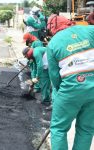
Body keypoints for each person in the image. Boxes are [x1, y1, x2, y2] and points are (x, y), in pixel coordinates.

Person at [47, 14, 94, 150]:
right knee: (86, 129)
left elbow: (55, 78)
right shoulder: (90, 30)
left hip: (71, 90)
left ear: (53, 27)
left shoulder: (53, 43)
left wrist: (61, 95)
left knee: (58, 129)